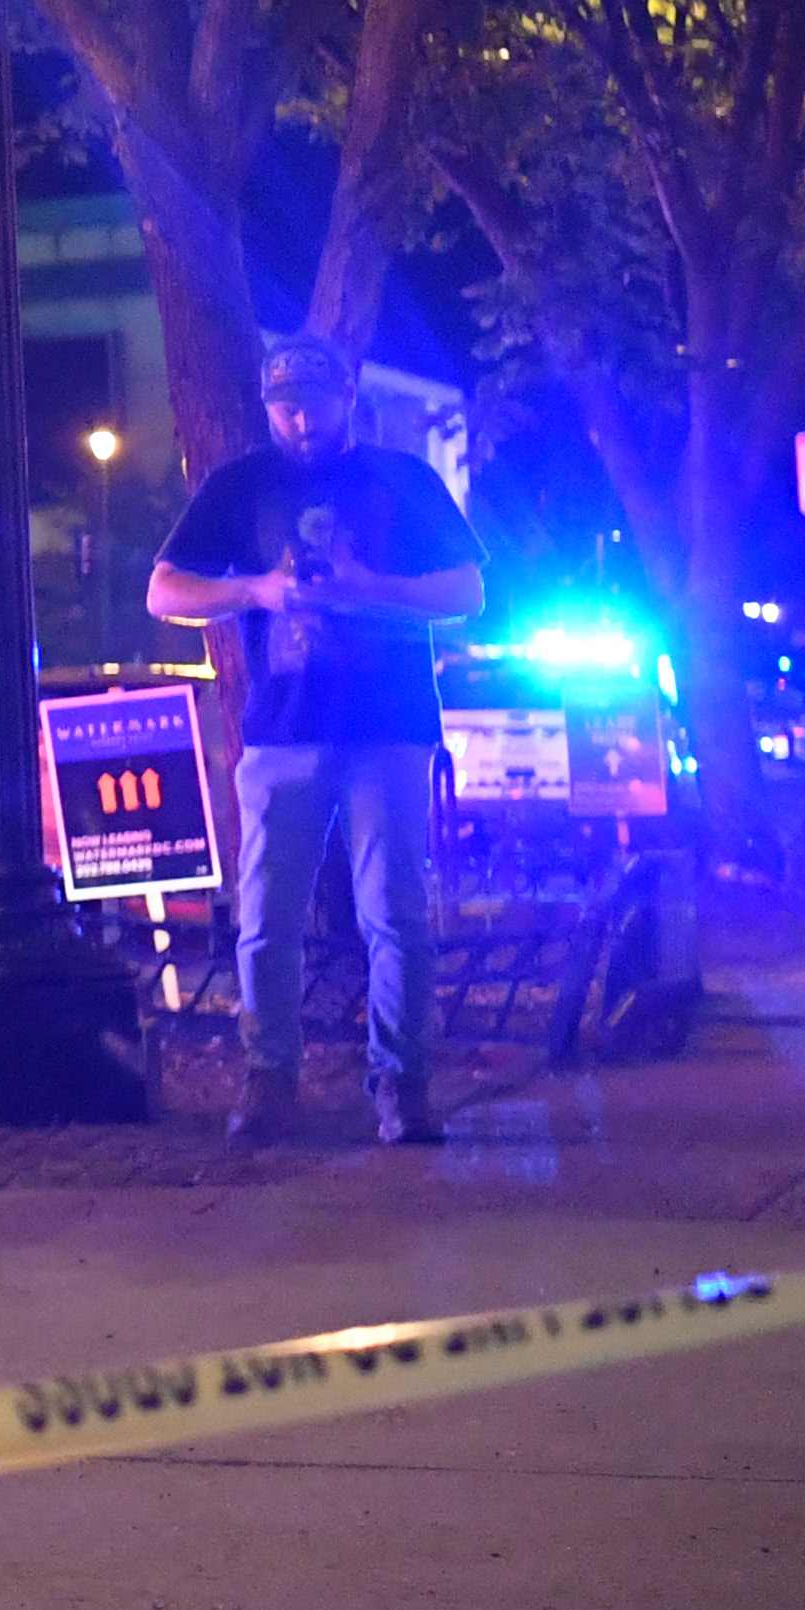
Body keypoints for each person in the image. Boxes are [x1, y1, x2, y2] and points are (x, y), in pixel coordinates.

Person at [145, 336, 487, 1148]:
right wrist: (255, 589)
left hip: (389, 727)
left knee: (396, 913)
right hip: (281, 728)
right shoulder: (242, 485)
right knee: (265, 917)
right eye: (284, 404)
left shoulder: (404, 479)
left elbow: (468, 591)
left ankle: (403, 1086)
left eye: (313, 401)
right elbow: (164, 590)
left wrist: (372, 589)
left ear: (347, 397)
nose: (299, 418)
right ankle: (270, 1081)